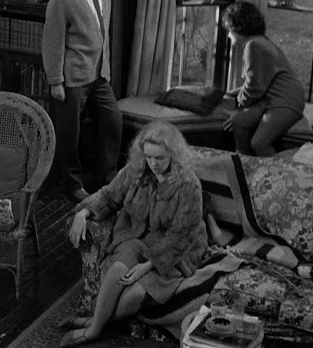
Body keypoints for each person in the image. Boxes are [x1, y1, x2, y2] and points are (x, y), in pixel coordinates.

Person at [61, 120, 207, 347]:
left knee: (135, 295)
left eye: (159, 158)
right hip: (134, 236)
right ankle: (94, 331)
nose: (153, 163)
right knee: (119, 268)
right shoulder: (136, 170)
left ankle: (93, 322)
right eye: (149, 157)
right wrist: (84, 212)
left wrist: (148, 265)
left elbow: (181, 237)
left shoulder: (189, 185)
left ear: (173, 154)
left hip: (172, 251)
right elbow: (109, 195)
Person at [42, 0, 123, 202]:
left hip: (98, 75)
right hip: (73, 77)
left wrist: (106, 68)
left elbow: (102, 34)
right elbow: (52, 41)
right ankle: (71, 184)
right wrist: (56, 81)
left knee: (112, 121)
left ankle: (107, 179)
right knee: (68, 134)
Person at [221, 1, 305, 157]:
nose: (229, 35)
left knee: (259, 143)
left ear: (238, 28)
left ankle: (278, 170)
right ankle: (242, 161)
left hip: (285, 101)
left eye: (229, 31)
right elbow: (259, 82)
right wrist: (234, 93)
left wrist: (239, 103)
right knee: (239, 121)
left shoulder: (253, 46)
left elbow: (255, 87)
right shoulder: (261, 42)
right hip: (275, 99)